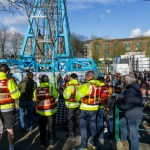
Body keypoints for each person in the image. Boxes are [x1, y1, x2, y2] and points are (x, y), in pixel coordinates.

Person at [73, 71, 104, 150]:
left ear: (86, 77)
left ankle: (83, 146)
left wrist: (78, 92)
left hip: (85, 108)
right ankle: (94, 143)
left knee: (83, 127)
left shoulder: (86, 85)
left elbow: (78, 96)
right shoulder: (98, 85)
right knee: (93, 126)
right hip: (95, 108)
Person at [119, 74, 143, 150]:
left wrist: (120, 106)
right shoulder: (135, 88)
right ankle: (124, 139)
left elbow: (129, 105)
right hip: (135, 113)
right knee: (122, 123)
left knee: (133, 136)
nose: (124, 81)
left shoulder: (131, 90)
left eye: (125, 80)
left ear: (128, 81)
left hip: (132, 115)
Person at [33, 74, 58, 148]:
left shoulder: (36, 90)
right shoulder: (51, 88)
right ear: (48, 80)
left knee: (42, 128)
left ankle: (43, 143)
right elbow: (56, 95)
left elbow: (35, 98)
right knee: (51, 127)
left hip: (41, 112)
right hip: (51, 111)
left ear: (40, 81)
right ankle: (52, 142)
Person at [0, 64, 21, 150]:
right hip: (7, 108)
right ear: (7, 71)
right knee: (9, 128)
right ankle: (11, 147)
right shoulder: (9, 81)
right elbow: (16, 95)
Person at [63, 73, 80, 139]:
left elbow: (66, 96)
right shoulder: (80, 85)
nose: (69, 79)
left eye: (70, 78)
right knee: (78, 120)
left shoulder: (70, 86)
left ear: (72, 78)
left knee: (71, 121)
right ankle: (78, 133)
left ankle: (72, 135)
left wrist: (64, 92)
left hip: (71, 106)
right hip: (78, 105)